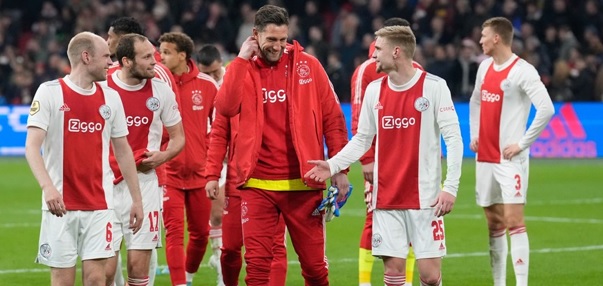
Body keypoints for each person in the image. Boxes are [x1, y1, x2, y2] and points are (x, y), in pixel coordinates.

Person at [305, 25, 463, 286]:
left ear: (397, 51)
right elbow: (362, 139)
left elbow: (454, 139)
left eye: (378, 49)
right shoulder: (374, 90)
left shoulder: (434, 87)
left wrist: (451, 187)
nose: (374, 55)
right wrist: (333, 165)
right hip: (386, 197)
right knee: (393, 275)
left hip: (426, 198)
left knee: (430, 276)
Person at [214, 5, 350, 285]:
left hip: (305, 183)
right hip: (257, 185)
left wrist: (341, 169)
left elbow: (333, 119)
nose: (277, 47)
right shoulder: (242, 68)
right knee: (257, 270)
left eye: (282, 39)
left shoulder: (309, 66)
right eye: (270, 40)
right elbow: (226, 108)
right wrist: (239, 60)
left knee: (315, 269)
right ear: (255, 35)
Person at [25, 31, 144, 286]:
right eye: (106, 57)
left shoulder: (111, 98)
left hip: (100, 206)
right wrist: (48, 188)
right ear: (86, 57)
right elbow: (32, 147)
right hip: (60, 207)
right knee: (63, 281)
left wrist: (137, 199)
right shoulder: (49, 93)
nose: (111, 63)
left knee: (96, 280)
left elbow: (123, 150)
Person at [469, 17, 554, 286]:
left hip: (509, 159)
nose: (480, 40)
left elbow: (547, 108)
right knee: (494, 222)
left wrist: (522, 143)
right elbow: (475, 100)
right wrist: (474, 134)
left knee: (514, 220)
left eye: (483, 35)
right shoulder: (483, 68)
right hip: (485, 158)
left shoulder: (523, 71)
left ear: (497, 38)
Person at [103, 33, 185, 286]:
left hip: (144, 183)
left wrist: (164, 155)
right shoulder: (103, 88)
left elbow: (179, 137)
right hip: (105, 185)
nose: (155, 61)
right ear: (126, 61)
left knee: (139, 270)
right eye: (147, 57)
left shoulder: (161, 91)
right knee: (104, 270)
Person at [350, 17, 421, 286]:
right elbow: (358, 117)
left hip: (412, 165)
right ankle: (365, 282)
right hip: (381, 162)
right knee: (374, 220)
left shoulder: (417, 70)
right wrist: (367, 158)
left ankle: (407, 281)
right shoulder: (367, 71)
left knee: (414, 223)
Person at [204, 60, 288, 284]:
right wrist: (212, 174)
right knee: (230, 248)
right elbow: (218, 136)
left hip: (273, 180)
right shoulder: (229, 97)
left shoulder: (280, 92)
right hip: (237, 181)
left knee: (275, 246)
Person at [158, 31, 219, 286]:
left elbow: (218, 128)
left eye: (166, 53)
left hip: (199, 173)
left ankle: (189, 275)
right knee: (173, 234)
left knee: (201, 235)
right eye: (160, 52)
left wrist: (210, 158)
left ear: (182, 56)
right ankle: (180, 283)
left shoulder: (207, 85)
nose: (160, 58)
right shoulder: (156, 84)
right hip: (168, 173)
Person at [196, 44, 227, 285]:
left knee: (224, 215)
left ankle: (221, 259)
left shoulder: (231, 80)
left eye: (216, 72)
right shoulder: (199, 87)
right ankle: (218, 260)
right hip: (209, 157)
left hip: (232, 157)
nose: (213, 77)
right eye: (207, 73)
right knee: (216, 215)